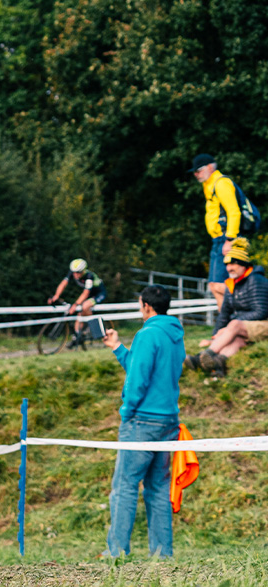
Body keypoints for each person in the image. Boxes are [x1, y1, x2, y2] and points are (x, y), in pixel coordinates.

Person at [101, 285, 184, 558]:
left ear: (146, 306)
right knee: (158, 488)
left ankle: (117, 553)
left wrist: (127, 411)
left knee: (124, 487)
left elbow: (138, 378)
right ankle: (162, 555)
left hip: (141, 421)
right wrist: (117, 348)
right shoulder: (174, 335)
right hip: (168, 420)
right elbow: (143, 367)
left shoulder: (147, 334)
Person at [184, 238, 268, 378]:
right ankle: (218, 362)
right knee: (236, 340)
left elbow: (261, 312)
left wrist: (231, 327)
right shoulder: (231, 284)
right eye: (227, 264)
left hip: (264, 324)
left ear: (243, 264)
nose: (229, 268)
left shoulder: (256, 280)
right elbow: (224, 314)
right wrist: (216, 335)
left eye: (233, 264)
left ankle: (204, 355)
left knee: (234, 325)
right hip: (248, 328)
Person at [189, 153, 243, 312]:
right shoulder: (209, 185)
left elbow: (234, 212)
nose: (195, 174)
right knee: (214, 285)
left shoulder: (221, 183)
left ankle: (251, 301)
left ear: (210, 167)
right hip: (217, 239)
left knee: (220, 285)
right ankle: (224, 326)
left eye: (198, 170)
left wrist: (230, 239)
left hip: (227, 239)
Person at [47, 258, 107, 348]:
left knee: (85, 306)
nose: (75, 274)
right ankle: (77, 336)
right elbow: (63, 284)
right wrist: (56, 295)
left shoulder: (89, 276)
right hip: (89, 293)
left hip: (98, 294)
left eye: (78, 272)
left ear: (83, 270)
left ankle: (92, 325)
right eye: (74, 272)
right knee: (79, 314)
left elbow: (86, 293)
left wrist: (75, 304)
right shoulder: (73, 273)